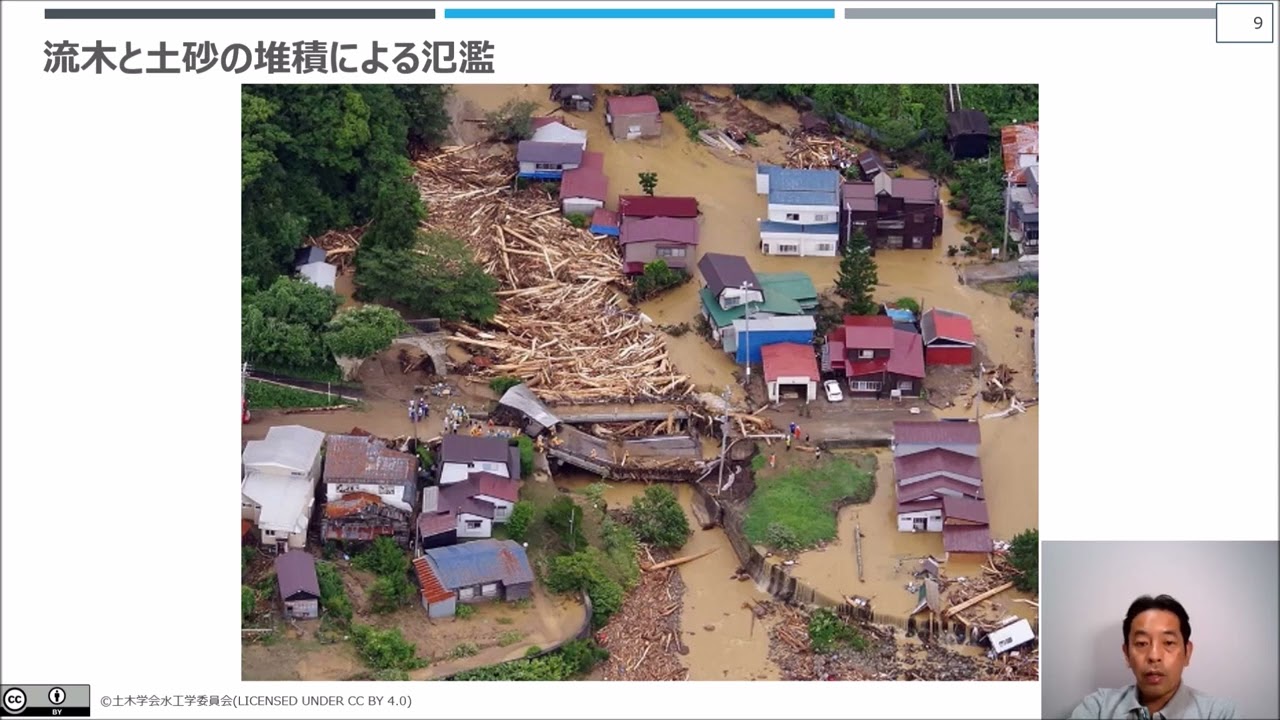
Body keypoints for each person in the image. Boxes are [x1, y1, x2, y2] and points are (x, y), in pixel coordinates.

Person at [1068, 594, 1237, 719]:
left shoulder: (1220, 714)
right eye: (1142, 643)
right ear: (1126, 654)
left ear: (1187, 653)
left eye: (1168, 642)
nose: (1154, 656)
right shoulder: (1098, 708)